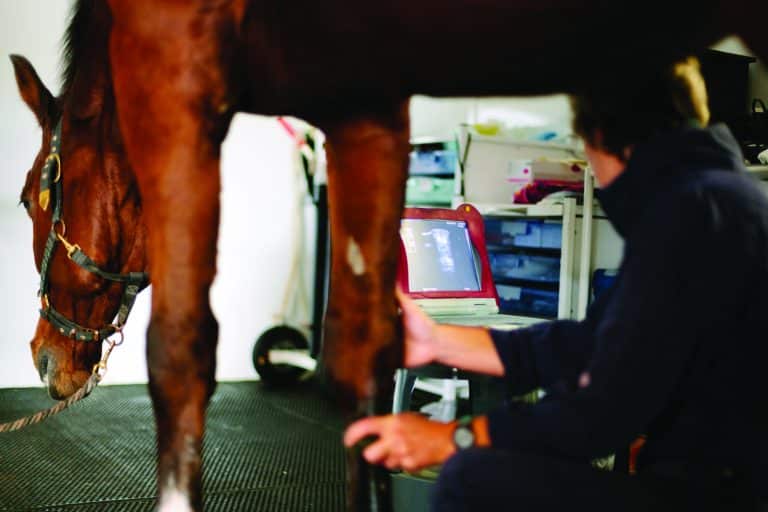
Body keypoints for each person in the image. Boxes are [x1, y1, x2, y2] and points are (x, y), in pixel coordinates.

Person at [344, 56, 768, 511]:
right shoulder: (719, 197)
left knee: (471, 478)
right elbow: (590, 343)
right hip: (717, 482)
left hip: (713, 496)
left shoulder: (689, 214)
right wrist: (441, 341)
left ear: (601, 137)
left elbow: (602, 415)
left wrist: (455, 437)